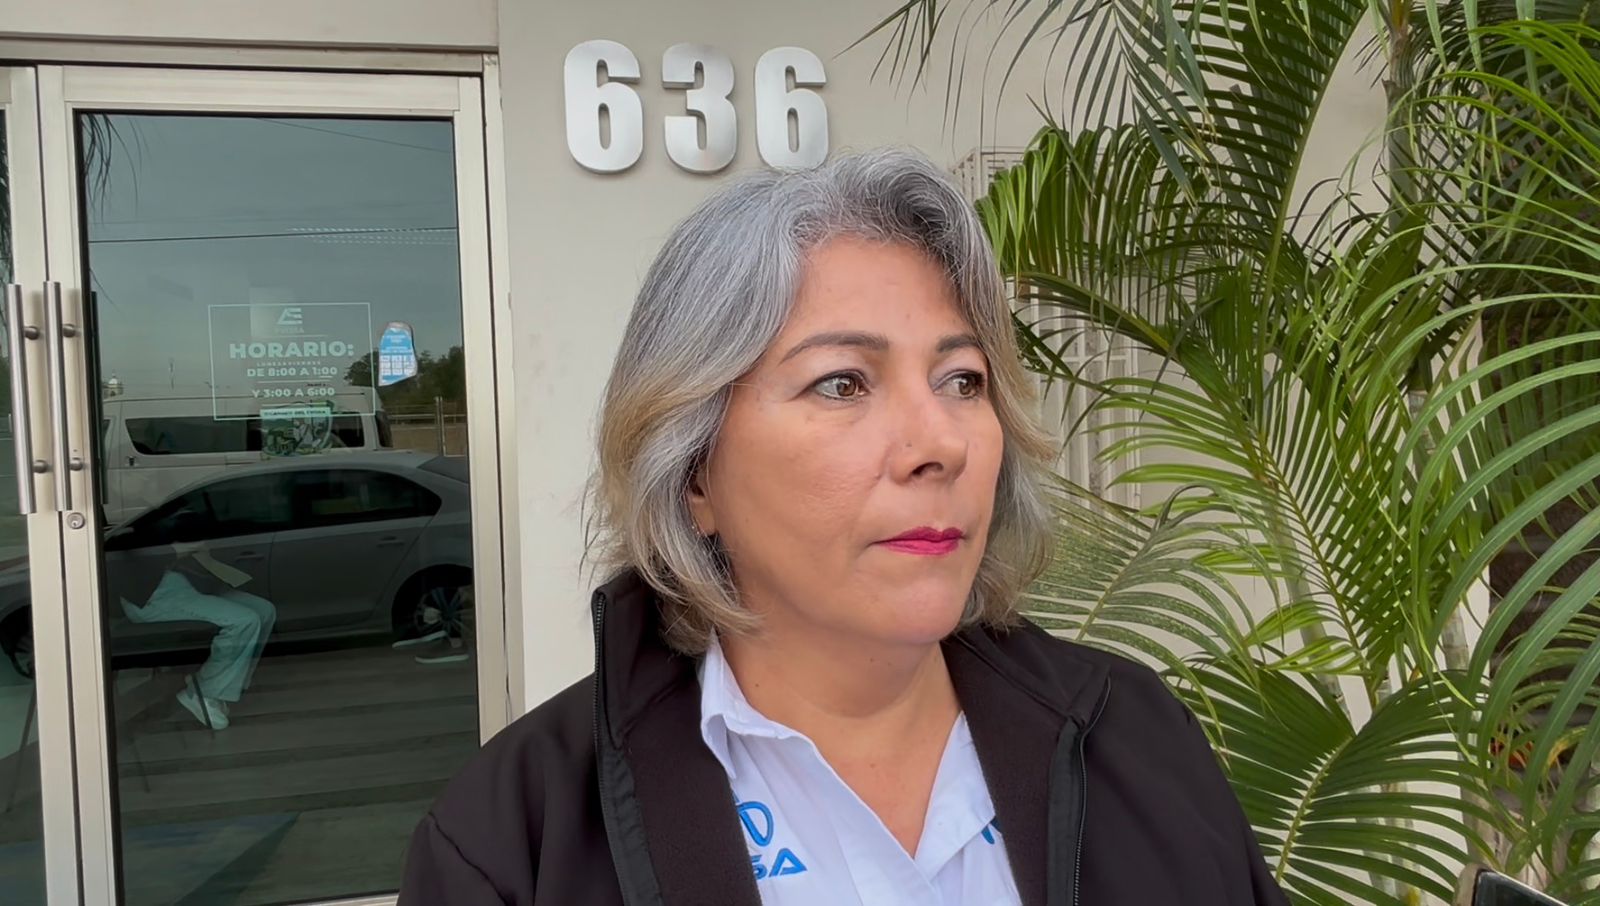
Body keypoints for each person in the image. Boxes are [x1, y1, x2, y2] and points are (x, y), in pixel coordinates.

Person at [399, 149, 1290, 905]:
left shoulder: (1135, 735)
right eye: (842, 383)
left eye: (963, 380)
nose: (939, 444)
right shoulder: (515, 845)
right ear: (695, 470)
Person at [118, 509, 276, 730]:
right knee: (244, 620)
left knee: (265, 610)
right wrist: (179, 550)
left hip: (184, 582)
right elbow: (129, 555)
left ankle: (220, 682)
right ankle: (204, 692)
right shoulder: (136, 523)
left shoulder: (172, 513)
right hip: (152, 595)